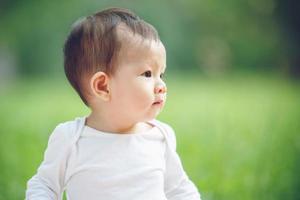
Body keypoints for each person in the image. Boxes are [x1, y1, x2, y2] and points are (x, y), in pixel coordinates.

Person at [26, 7, 201, 200]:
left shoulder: (161, 136)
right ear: (103, 86)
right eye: (147, 74)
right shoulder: (71, 138)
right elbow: (45, 186)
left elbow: (179, 189)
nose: (162, 85)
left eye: (162, 74)